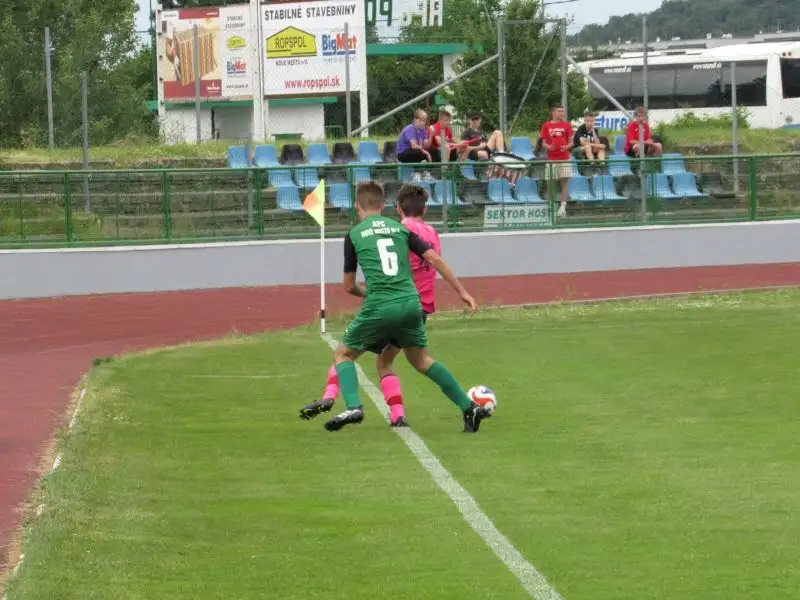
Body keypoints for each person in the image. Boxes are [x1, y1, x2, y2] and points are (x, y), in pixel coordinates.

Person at [313, 180, 490, 434]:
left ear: (356, 206)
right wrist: (462, 292)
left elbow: (349, 285)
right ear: (384, 205)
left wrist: (366, 293)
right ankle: (468, 407)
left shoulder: (353, 234)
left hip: (380, 304)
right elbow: (434, 258)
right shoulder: (400, 229)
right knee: (421, 360)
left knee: (343, 354)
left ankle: (353, 406)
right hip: (411, 304)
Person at [300, 183, 441, 428]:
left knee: (347, 352)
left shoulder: (399, 229)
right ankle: (398, 415)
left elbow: (385, 262)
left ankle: (331, 397)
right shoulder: (431, 232)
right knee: (386, 361)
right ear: (425, 209)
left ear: (397, 208)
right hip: (418, 305)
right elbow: (431, 261)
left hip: (388, 300)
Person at [538, 103, 574, 218]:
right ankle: (552, 206)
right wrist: (548, 147)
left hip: (564, 158)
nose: (561, 113)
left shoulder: (567, 125)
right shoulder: (546, 126)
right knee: (551, 184)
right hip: (551, 159)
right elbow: (543, 142)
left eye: (562, 111)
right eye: (559, 111)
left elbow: (572, 142)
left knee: (565, 183)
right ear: (553, 112)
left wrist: (567, 147)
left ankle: (563, 208)